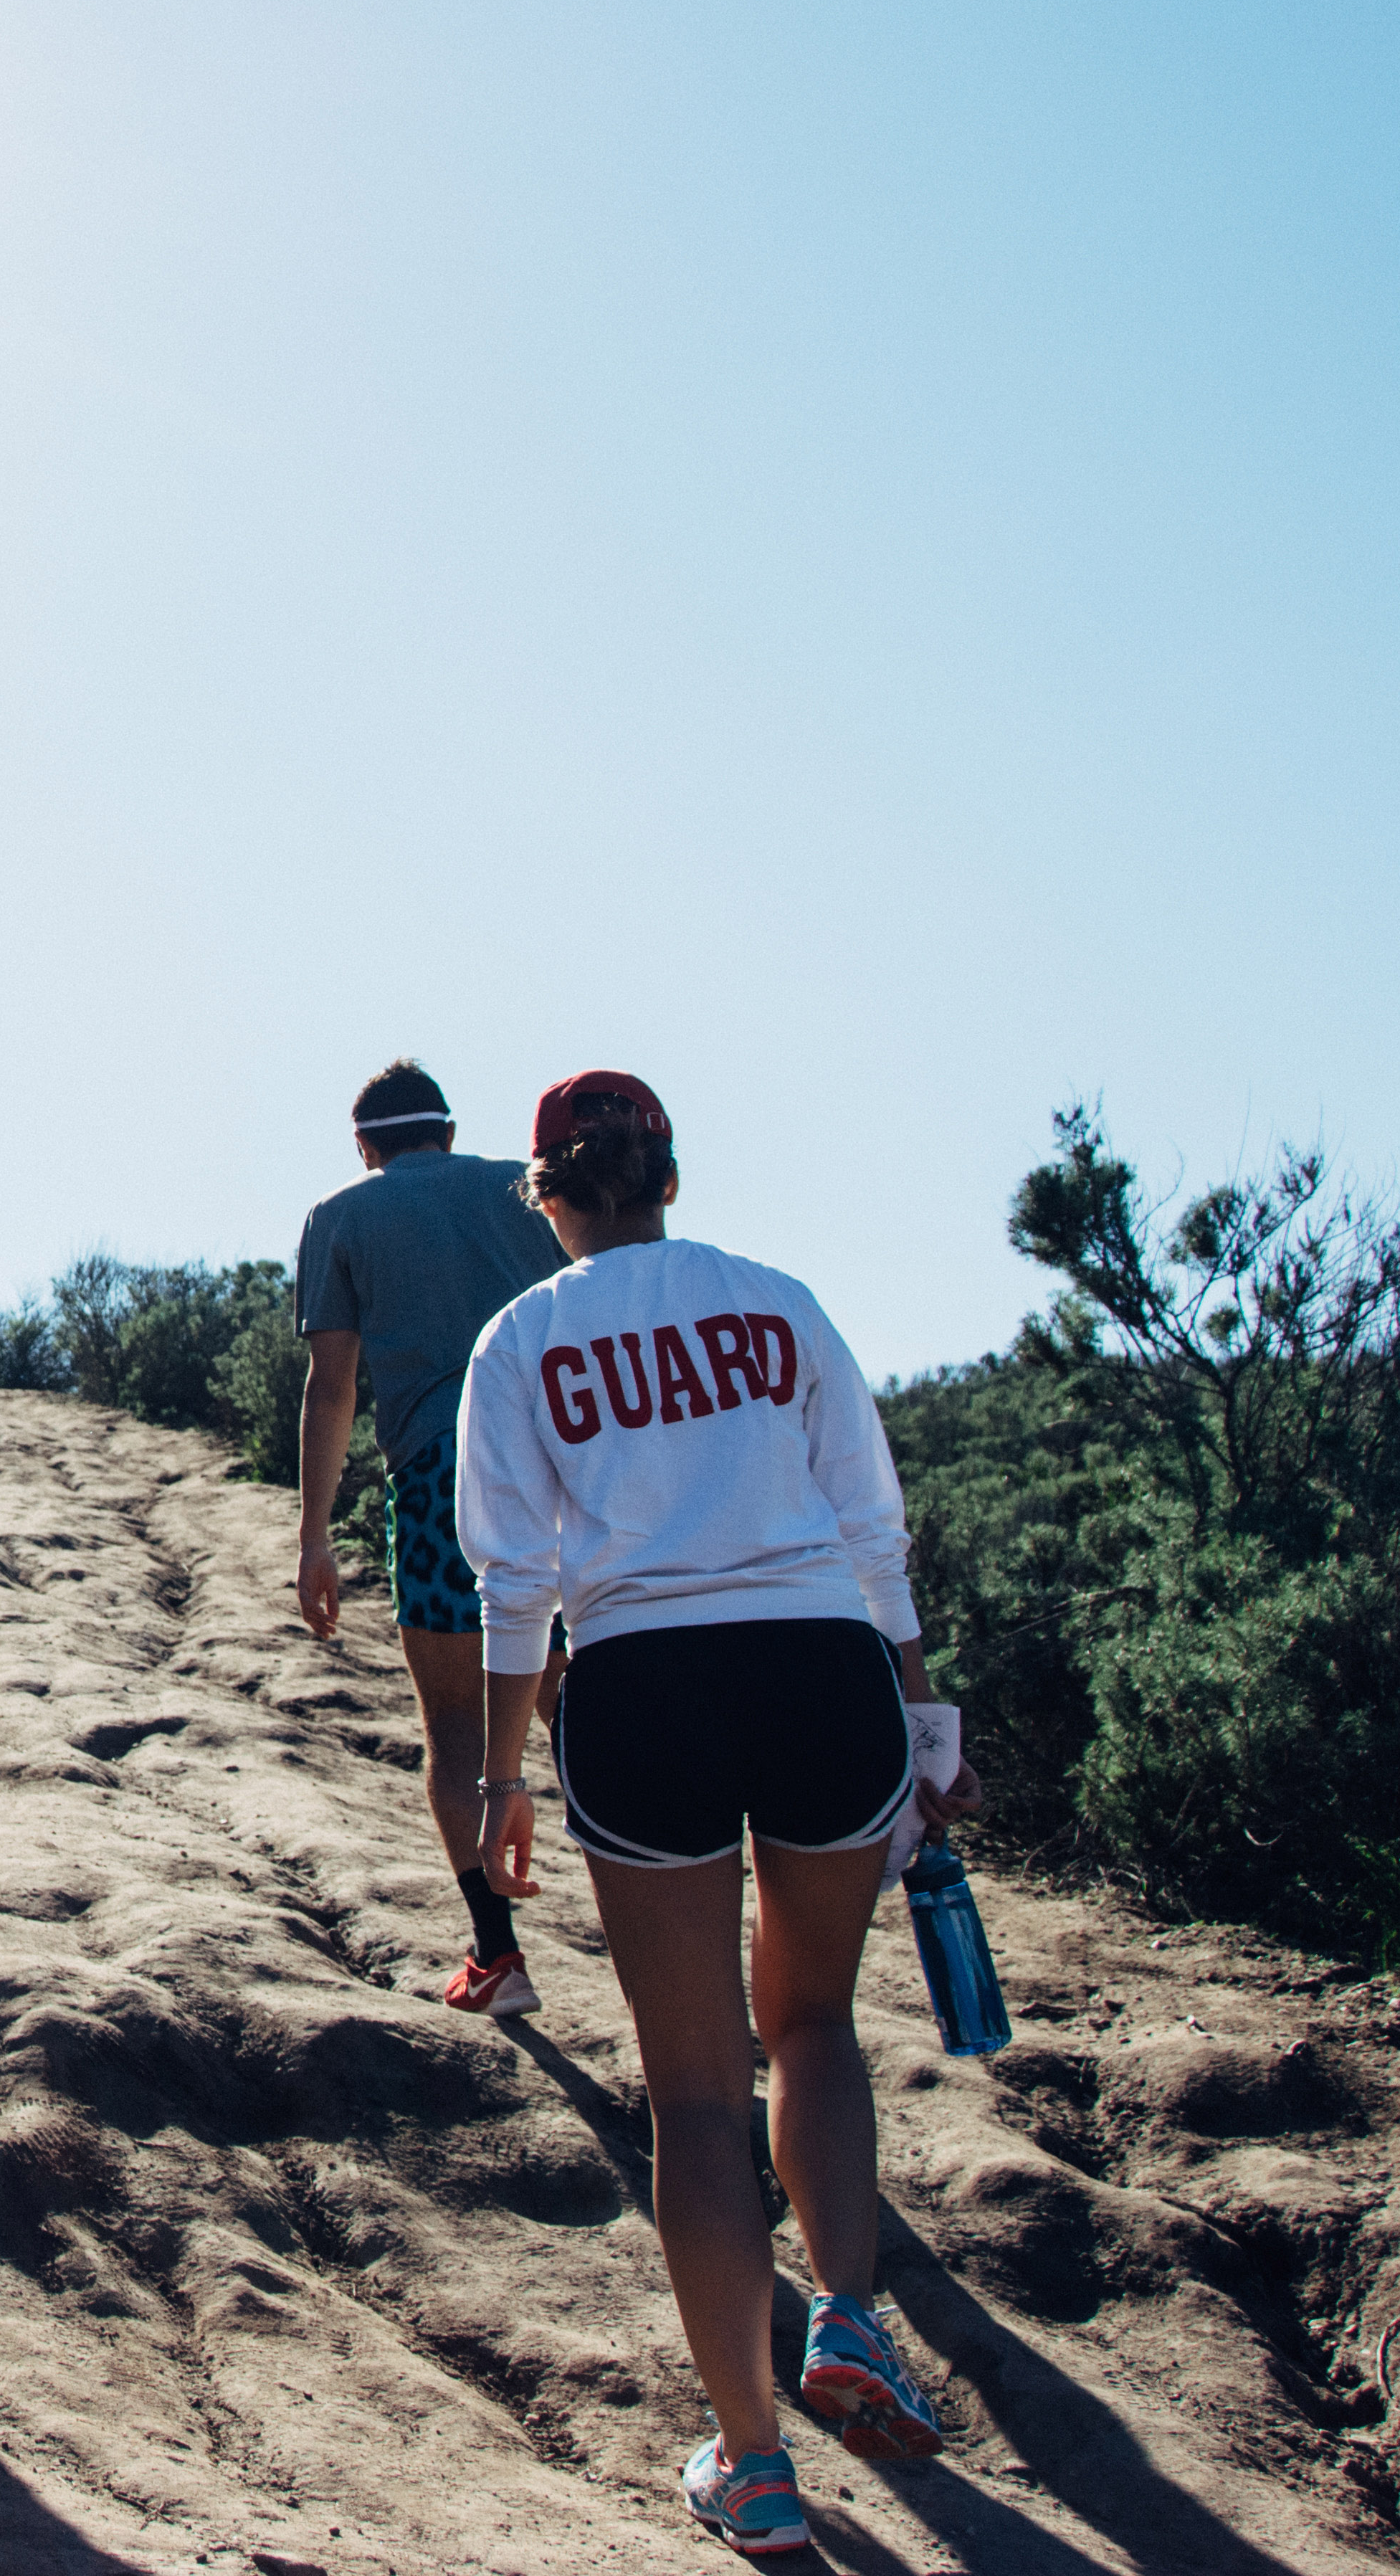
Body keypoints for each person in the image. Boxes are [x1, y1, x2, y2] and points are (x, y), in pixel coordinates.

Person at [455, 1070, 985, 2560]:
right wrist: (927, 1726)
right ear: (667, 1177)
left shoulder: (524, 1340)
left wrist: (501, 1782)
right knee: (813, 2022)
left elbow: (514, 1584)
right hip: (819, 1664)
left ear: (551, 1197)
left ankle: (753, 2466)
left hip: (641, 1687)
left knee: (694, 2092)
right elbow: (874, 1530)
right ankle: (858, 2325)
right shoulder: (777, 1303)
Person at [290, 1059, 578, 2016]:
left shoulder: (345, 1214)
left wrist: (314, 1540)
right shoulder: (521, 1192)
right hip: (568, 1463)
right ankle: (662, 1898)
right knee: (574, 1691)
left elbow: (332, 1386)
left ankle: (499, 1961)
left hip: (445, 1477)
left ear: (366, 1148)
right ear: (449, 1133)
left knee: (457, 1724)